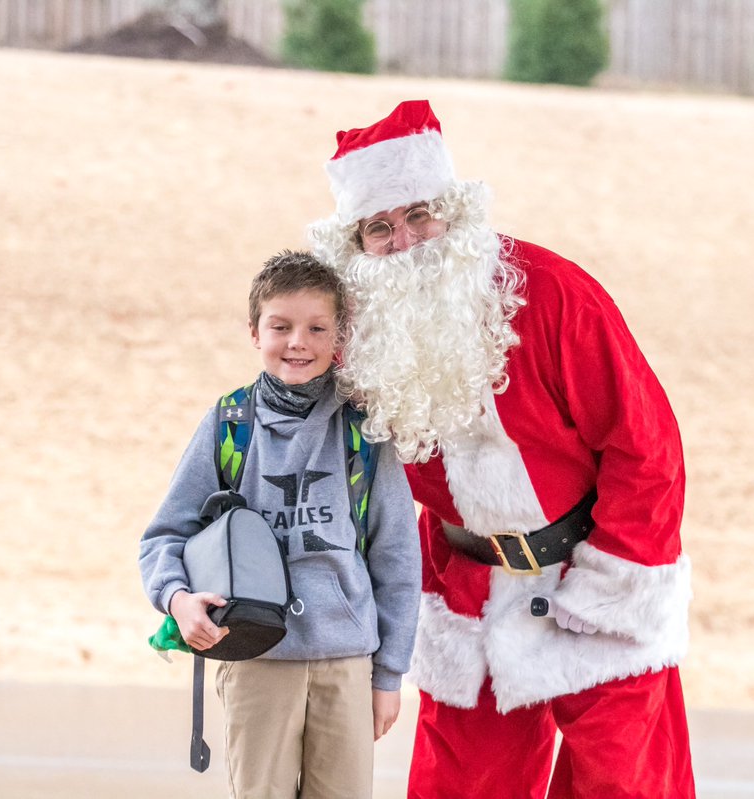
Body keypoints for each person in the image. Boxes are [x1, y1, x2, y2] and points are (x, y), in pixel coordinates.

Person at [307, 100, 695, 798]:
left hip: (597, 573)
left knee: (624, 785)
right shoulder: (355, 342)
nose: (406, 241)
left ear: (453, 212)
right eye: (380, 228)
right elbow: (318, 470)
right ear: (356, 247)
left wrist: (613, 586)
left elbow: (647, 447)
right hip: (469, 592)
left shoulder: (551, 295)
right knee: (461, 786)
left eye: (420, 215)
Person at [138, 250, 420, 799]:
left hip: (346, 662)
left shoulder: (363, 430)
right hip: (253, 657)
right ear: (254, 331)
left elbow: (398, 558)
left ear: (339, 335)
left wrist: (388, 676)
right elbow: (164, 536)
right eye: (281, 326)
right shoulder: (229, 423)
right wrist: (177, 600)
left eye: (317, 328)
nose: (298, 342)